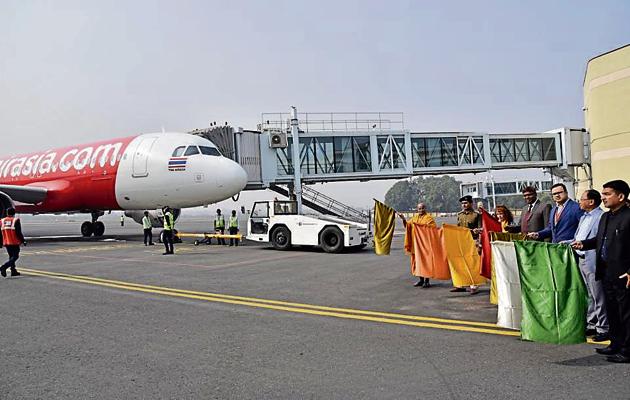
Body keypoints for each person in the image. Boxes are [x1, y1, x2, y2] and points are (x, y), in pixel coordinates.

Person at [572, 180, 630, 363]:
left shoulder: (628, 217)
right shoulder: (606, 217)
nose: (603, 197)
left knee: (626, 313)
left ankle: (628, 351)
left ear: (620, 196)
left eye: (607, 194)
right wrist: (584, 244)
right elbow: (600, 239)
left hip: (623, 274)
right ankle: (615, 344)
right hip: (605, 271)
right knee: (611, 310)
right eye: (603, 194)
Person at [565, 189, 608, 342]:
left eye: (582, 199)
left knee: (598, 295)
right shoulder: (584, 217)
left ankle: (604, 327)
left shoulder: (601, 216)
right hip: (581, 259)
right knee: (589, 293)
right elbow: (579, 237)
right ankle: (592, 324)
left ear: (591, 202)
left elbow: (600, 240)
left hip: (593, 260)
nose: (579, 202)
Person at [398, 202, 436, 288]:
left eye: (422, 208)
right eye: (419, 209)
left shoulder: (429, 218)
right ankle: (421, 280)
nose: (421, 210)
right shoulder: (414, 218)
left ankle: (427, 281)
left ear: (425, 208)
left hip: (425, 245)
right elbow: (408, 226)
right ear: (417, 209)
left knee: (426, 262)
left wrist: (421, 226)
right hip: (416, 244)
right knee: (417, 262)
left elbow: (433, 229)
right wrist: (403, 219)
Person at [455, 195, 481, 294]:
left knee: (473, 263)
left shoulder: (477, 215)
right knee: (462, 263)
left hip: (473, 241)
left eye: (466, 203)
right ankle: (461, 283)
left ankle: (474, 285)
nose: (464, 205)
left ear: (471, 203)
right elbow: (458, 228)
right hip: (462, 241)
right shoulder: (460, 215)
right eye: (462, 204)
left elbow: (480, 229)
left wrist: (477, 235)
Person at [0, 208, 25, 277]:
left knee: (11, 256)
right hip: (14, 242)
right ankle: (4, 267)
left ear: (7, 213)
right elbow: (18, 232)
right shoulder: (15, 220)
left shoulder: (2, 221)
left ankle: (13, 271)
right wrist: (23, 240)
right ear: (14, 213)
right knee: (15, 256)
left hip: (6, 242)